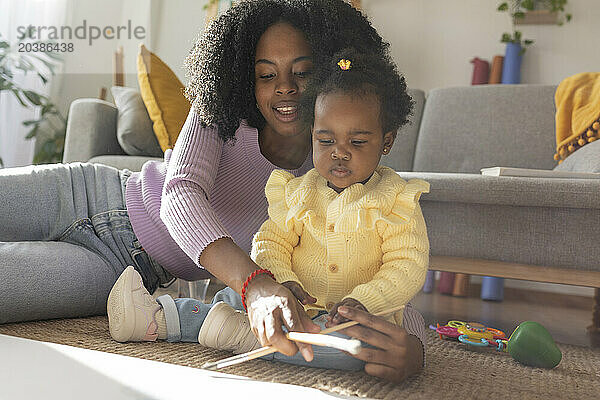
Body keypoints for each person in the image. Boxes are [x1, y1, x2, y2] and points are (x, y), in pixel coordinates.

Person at [0, 0, 424, 382]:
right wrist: (255, 284)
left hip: (124, 269)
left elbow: (387, 268)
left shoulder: (337, 174)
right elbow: (180, 192)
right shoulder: (222, 115)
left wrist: (414, 350)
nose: (284, 87)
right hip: (89, 191)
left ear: (331, 71)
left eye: (303, 71)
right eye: (265, 74)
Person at [107, 48, 429, 380]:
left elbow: (406, 266)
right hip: (288, 301)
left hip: (349, 318)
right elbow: (269, 242)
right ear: (312, 134)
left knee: (358, 350)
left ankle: (211, 327)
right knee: (236, 295)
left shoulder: (399, 200)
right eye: (325, 139)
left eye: (358, 142)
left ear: (386, 141)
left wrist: (363, 301)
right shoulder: (298, 191)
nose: (340, 153)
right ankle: (171, 317)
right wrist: (279, 279)